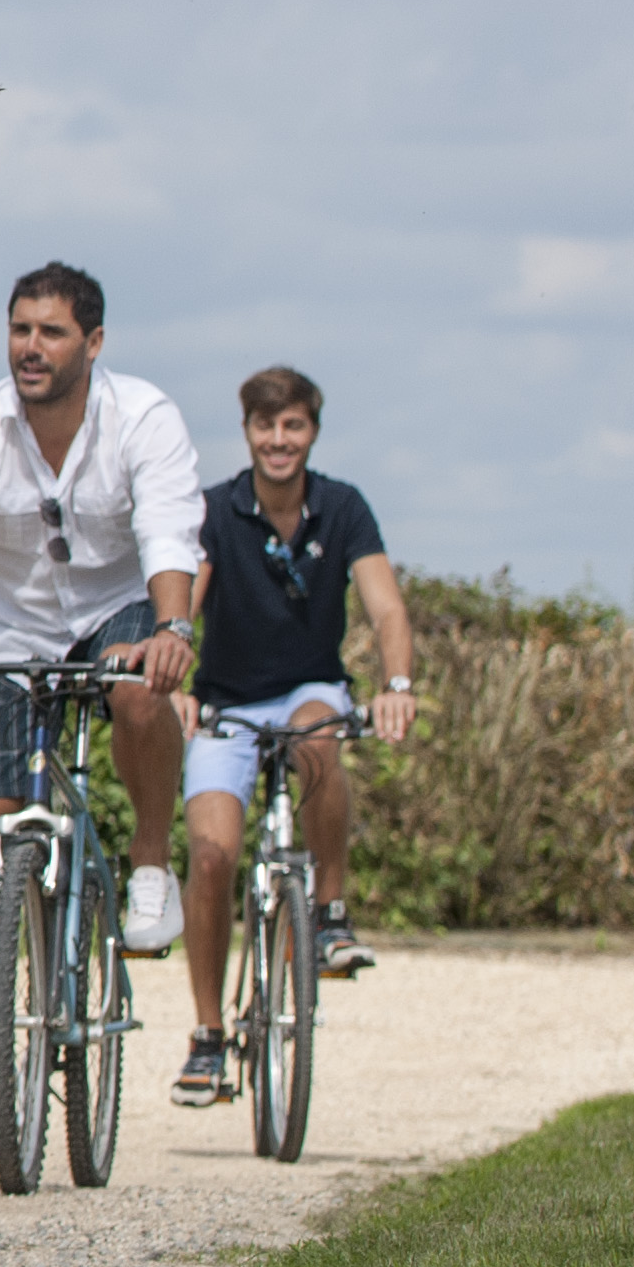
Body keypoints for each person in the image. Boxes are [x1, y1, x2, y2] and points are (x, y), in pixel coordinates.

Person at [0, 263, 203, 1141]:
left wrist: (172, 625)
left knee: (141, 690)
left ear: (92, 344)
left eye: (51, 332)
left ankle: (146, 864)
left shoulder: (143, 417)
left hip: (120, 612)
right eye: (20, 329)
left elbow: (170, 529)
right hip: (12, 632)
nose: (31, 347)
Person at [169, 365, 418, 1106]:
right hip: (228, 703)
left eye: (293, 426)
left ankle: (330, 913)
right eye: (265, 426)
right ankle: (209, 1036)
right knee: (211, 857)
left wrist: (397, 689)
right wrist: (176, 690)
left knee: (319, 735)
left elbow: (388, 609)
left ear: (312, 430)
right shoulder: (216, 510)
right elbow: (185, 605)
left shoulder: (342, 509)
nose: (279, 441)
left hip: (309, 690)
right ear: (247, 431)